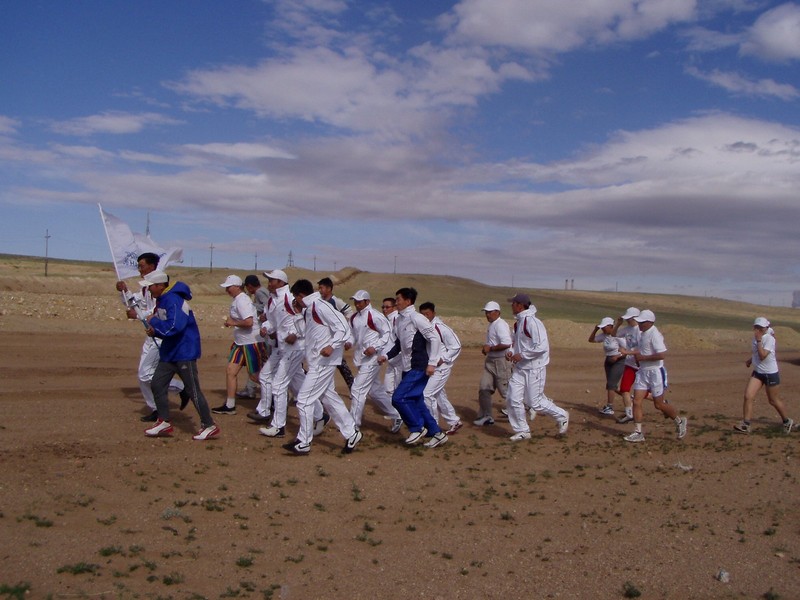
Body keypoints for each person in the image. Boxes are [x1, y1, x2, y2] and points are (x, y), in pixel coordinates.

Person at [280, 279, 363, 455]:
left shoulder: (319, 306)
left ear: (301, 295)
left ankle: (303, 442)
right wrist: (296, 315)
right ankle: (351, 433)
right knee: (329, 398)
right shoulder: (310, 309)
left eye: (296, 297)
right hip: (318, 361)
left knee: (303, 399)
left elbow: (342, 327)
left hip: (323, 362)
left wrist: (331, 345)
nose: (296, 300)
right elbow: (305, 332)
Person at [139, 271, 219, 440]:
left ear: (160, 286)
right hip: (170, 352)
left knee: (192, 390)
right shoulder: (162, 300)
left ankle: (209, 425)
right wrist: (155, 331)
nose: (149, 290)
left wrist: (153, 321)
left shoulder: (174, 300)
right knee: (157, 384)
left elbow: (175, 327)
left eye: (150, 286)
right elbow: (167, 329)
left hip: (184, 352)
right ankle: (163, 422)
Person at [115, 252, 187, 422]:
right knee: (143, 376)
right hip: (150, 335)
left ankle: (181, 387)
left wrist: (137, 315)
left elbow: (158, 312)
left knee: (146, 375)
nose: (139, 269)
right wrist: (124, 291)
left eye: (142, 265)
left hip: (160, 335)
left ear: (152, 266)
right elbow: (131, 302)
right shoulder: (146, 288)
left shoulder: (160, 288)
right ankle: (156, 408)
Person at [379, 287, 447, 448]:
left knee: (398, 398)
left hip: (419, 366)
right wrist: (386, 356)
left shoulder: (417, 318)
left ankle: (417, 428)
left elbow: (435, 338)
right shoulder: (400, 320)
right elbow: (399, 344)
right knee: (417, 401)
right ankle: (437, 433)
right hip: (407, 367)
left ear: (408, 301)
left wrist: (432, 363)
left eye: (398, 299)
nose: (396, 302)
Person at [505, 293, 569, 441]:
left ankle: (562, 415)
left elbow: (541, 346)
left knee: (535, 402)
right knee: (512, 398)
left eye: (513, 303)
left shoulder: (533, 322)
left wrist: (522, 355)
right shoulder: (518, 323)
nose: (511, 306)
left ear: (520, 305)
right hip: (521, 368)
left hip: (535, 367)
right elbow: (515, 343)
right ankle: (522, 430)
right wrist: (511, 352)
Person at [622, 310, 687, 443]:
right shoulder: (643, 333)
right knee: (636, 401)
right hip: (643, 372)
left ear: (650, 322)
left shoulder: (655, 334)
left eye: (641, 322)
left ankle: (679, 421)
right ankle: (638, 432)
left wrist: (643, 357)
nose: (639, 324)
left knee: (658, 404)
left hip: (655, 372)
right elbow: (643, 349)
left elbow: (661, 354)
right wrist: (634, 355)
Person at [258, 269, 308, 438]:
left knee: (279, 385)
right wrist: (266, 329)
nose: (268, 282)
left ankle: (278, 426)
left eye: (271, 280)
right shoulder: (272, 300)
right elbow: (274, 323)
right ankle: (319, 414)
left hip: (294, 348)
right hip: (282, 347)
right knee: (297, 384)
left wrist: (297, 334)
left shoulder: (290, 298)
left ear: (281, 282)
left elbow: (307, 319)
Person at [347, 290, 404, 433]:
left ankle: (353, 425)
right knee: (375, 390)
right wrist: (348, 343)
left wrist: (375, 347)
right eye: (355, 301)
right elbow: (353, 336)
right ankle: (397, 414)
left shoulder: (375, 316)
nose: (357, 304)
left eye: (360, 301)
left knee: (358, 389)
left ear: (367, 302)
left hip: (372, 359)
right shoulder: (354, 317)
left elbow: (387, 334)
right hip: (361, 358)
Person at [213, 275, 267, 416]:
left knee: (256, 376)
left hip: (251, 342)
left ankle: (275, 399)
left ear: (237, 286)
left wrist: (233, 323)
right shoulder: (238, 300)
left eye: (229, 287)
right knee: (231, 370)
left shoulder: (242, 300)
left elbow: (249, 322)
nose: (227, 290)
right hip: (240, 343)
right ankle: (230, 405)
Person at [734, 317, 793, 435]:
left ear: (765, 328)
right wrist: (750, 360)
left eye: (761, 328)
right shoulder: (757, 338)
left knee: (773, 400)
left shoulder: (768, 339)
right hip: (758, 373)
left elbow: (762, 355)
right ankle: (746, 424)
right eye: (756, 327)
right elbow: (756, 354)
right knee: (748, 396)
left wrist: (759, 340)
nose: (758, 330)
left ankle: (786, 421)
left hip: (770, 374)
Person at [419, 302, 463, 435]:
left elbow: (456, 346)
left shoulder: (441, 328)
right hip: (430, 368)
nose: (425, 317)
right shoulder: (422, 328)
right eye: (423, 314)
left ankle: (433, 427)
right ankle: (454, 421)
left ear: (434, 313)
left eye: (428, 314)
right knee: (438, 395)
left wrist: (443, 359)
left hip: (442, 368)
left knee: (427, 394)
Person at [474, 301, 512, 426]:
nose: (487, 315)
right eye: (486, 312)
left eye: (490, 312)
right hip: (490, 362)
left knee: (506, 391)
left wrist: (490, 349)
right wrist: (487, 348)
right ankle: (487, 416)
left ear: (497, 312)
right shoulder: (492, 325)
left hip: (501, 362)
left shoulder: (500, 325)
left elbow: (506, 343)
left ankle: (523, 410)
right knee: (484, 388)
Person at [317, 277, 355, 389]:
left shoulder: (336, 301)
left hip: (335, 339)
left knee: (341, 364)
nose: (319, 290)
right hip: (324, 338)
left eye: (321, 288)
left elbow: (349, 312)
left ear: (329, 288)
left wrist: (343, 325)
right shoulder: (319, 302)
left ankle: (352, 387)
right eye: (319, 288)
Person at [236, 274, 270, 401]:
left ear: (250, 286)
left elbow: (268, 306)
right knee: (257, 363)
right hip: (261, 332)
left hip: (263, 333)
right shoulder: (260, 292)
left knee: (260, 362)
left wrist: (250, 306)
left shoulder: (260, 292)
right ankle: (250, 389)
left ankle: (272, 391)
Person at [588, 317, 626, 416]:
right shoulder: (604, 336)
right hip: (608, 361)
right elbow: (591, 340)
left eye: (604, 327)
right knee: (612, 386)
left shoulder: (618, 336)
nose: (603, 329)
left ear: (610, 326)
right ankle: (630, 399)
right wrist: (595, 329)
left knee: (611, 385)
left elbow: (627, 350)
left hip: (619, 361)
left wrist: (618, 356)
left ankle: (609, 407)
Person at [611, 307, 640, 424]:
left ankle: (661, 402)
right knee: (624, 389)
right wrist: (618, 324)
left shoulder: (641, 331)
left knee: (643, 392)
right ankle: (629, 414)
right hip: (630, 364)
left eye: (629, 319)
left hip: (641, 365)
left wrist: (627, 352)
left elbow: (643, 350)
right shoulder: (627, 329)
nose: (628, 321)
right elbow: (614, 335)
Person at [381, 297, 403, 396]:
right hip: (390, 359)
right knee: (388, 387)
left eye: (387, 307)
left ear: (394, 307)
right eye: (383, 307)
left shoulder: (397, 319)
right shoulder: (387, 320)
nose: (384, 309)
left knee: (399, 386)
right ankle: (393, 410)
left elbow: (401, 340)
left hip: (399, 358)